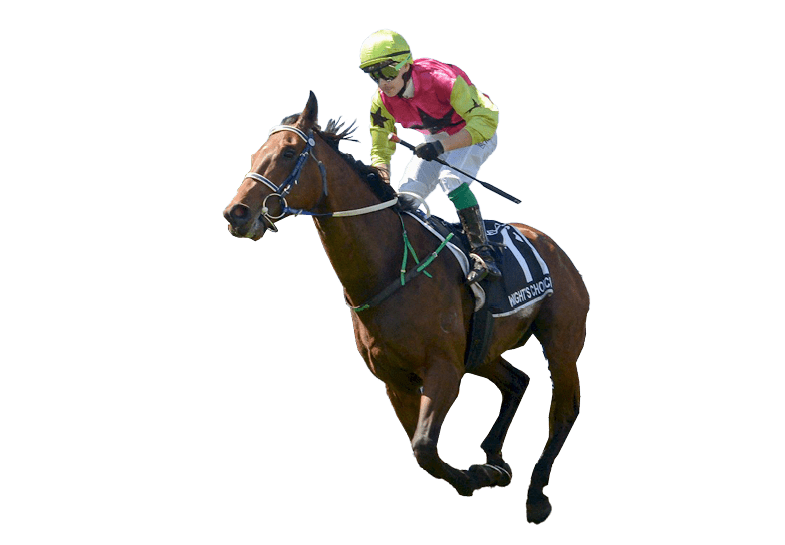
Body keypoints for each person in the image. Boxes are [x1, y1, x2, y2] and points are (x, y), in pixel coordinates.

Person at [358, 28, 502, 285]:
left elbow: (487, 121)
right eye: (374, 76)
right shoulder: (380, 102)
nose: (383, 83)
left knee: (451, 179)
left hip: (475, 131)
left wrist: (442, 147)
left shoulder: (441, 79)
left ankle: (483, 253)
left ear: (405, 65)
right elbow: (381, 150)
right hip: (437, 139)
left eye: (387, 73)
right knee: (406, 196)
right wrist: (380, 185)